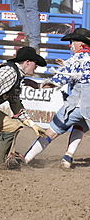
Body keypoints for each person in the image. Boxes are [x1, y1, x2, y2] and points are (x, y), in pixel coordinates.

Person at [24, 28, 90, 169]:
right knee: (79, 125)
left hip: (79, 104)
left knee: (51, 132)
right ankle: (68, 157)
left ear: (80, 43)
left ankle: (25, 159)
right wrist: (66, 65)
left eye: (72, 41)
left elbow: (58, 81)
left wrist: (38, 85)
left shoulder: (77, 60)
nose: (70, 45)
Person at [0, 46, 47, 169]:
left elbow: (16, 104)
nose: (37, 66)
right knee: (12, 126)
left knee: (13, 126)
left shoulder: (16, 75)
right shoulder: (11, 72)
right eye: (35, 63)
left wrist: (33, 125)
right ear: (27, 62)